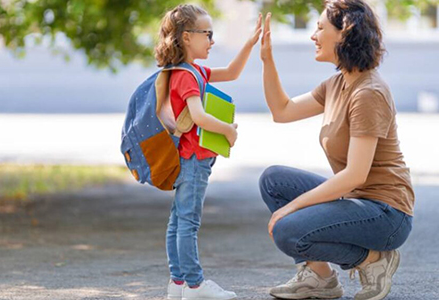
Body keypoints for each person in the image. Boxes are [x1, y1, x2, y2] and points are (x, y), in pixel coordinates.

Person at [258, 1, 414, 300]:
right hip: (358, 201)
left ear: (345, 34)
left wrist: (292, 207)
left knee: (287, 229)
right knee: (273, 180)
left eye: (319, 28)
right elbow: (282, 110)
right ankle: (320, 277)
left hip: (387, 214)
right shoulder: (337, 83)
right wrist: (267, 59)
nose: (312, 36)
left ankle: (374, 260)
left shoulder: (368, 93)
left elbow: (354, 175)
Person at [154, 4, 262, 300]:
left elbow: (231, 72)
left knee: (178, 221)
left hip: (186, 159)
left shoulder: (189, 70)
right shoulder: (187, 75)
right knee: (188, 222)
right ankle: (195, 285)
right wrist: (227, 130)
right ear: (187, 37)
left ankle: (177, 285)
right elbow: (198, 116)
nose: (212, 41)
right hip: (193, 160)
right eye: (208, 34)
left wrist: (250, 43)